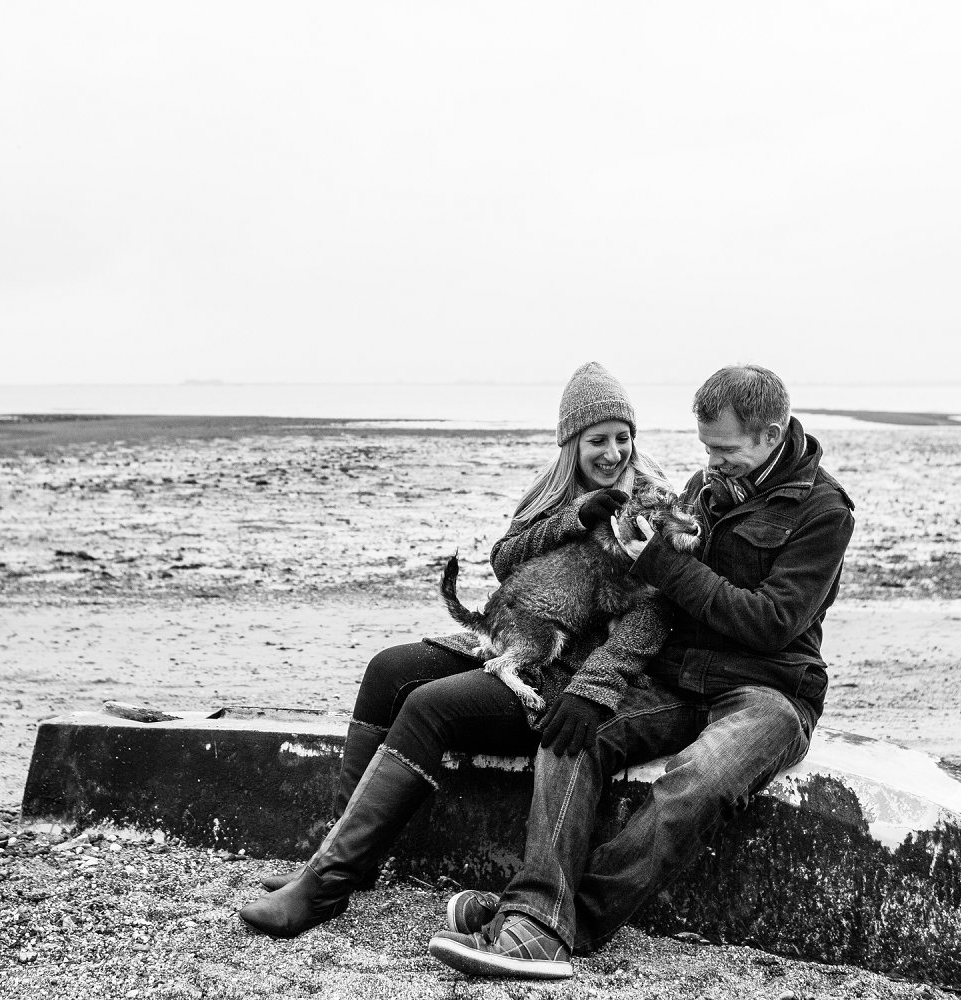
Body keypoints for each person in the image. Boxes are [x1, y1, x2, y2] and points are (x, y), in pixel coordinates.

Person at [428, 364, 855, 980]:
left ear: (772, 432)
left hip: (771, 693)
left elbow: (771, 622)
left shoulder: (824, 510)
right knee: (569, 730)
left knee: (698, 783)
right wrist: (595, 685)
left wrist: (660, 563)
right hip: (681, 679)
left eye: (725, 449)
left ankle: (555, 924)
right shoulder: (706, 489)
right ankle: (535, 914)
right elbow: (647, 604)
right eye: (706, 446)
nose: (710, 462)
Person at [238, 362, 675, 939]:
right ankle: (349, 858)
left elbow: (653, 613)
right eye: (598, 440)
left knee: (427, 705)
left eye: (623, 438)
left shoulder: (651, 504)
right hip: (516, 627)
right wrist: (575, 517)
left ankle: (326, 887)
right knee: (387, 671)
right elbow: (505, 562)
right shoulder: (556, 496)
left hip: (563, 668)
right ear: (571, 444)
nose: (613, 453)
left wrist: (592, 689)